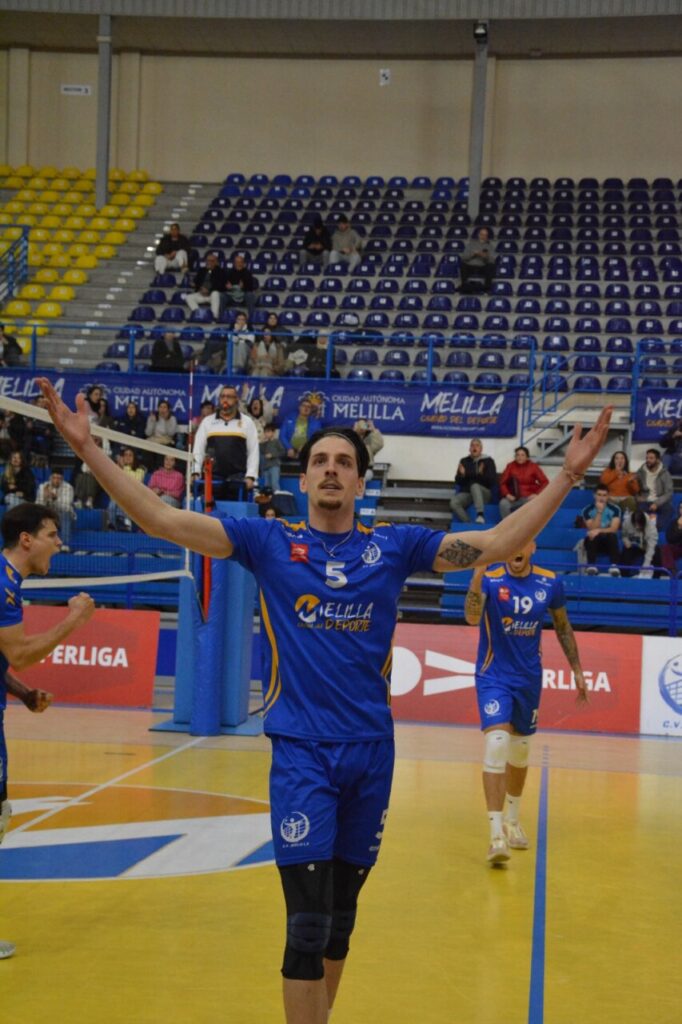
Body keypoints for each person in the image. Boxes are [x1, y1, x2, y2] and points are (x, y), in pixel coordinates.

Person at [37, 374, 611, 1024]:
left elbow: (498, 543)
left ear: (362, 483)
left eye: (344, 463)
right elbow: (161, 517)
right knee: (306, 928)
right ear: (302, 480)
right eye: (320, 462)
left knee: (340, 922)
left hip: (372, 755)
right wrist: (88, 451)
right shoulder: (269, 542)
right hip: (303, 755)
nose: (331, 470)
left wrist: (564, 477)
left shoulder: (394, 546)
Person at [0, 502, 95, 959]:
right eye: (52, 535)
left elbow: (6, 664)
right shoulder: (3, 585)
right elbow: (20, 653)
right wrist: (74, 620)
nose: (59, 544)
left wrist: (20, 693)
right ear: (26, 540)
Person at [465, 541, 587, 865]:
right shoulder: (491, 579)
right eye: (511, 544)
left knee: (519, 752)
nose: (515, 551)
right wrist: (476, 578)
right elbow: (470, 616)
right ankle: (495, 836)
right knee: (496, 743)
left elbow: (562, 626)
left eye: (522, 544)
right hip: (493, 676)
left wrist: (577, 670)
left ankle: (513, 820)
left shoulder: (550, 582)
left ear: (531, 547)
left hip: (529, 679)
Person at [192, 384, 259, 501]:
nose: (225, 400)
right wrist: (195, 471)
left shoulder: (247, 422)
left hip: (238, 478)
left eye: (229, 397)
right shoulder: (207, 422)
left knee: (237, 516)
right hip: (212, 477)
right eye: (222, 396)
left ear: (236, 399)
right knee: (210, 516)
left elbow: (253, 451)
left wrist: (251, 476)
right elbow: (198, 449)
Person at [450, 438, 497, 524]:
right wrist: (464, 475)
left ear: (481, 449)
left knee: (474, 486)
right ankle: (468, 523)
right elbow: (458, 481)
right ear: (469, 449)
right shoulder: (464, 461)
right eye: (472, 445)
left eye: (477, 445)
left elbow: (492, 480)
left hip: (484, 494)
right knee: (454, 502)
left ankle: (480, 515)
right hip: (468, 493)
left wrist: (468, 474)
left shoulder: (488, 461)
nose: (474, 447)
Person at [580, 484, 622, 576]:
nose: (601, 498)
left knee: (612, 536)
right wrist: (599, 512)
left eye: (604, 495)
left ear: (608, 496)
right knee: (592, 535)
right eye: (599, 495)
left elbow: (614, 529)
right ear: (594, 495)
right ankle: (591, 565)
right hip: (594, 542)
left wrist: (599, 530)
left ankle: (614, 566)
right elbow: (592, 529)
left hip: (608, 542)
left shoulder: (615, 509)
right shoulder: (587, 510)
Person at [498, 446, 548, 519]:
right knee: (503, 503)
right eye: (517, 455)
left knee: (530, 507)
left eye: (522, 455)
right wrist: (507, 494)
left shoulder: (533, 466)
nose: (519, 457)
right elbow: (502, 483)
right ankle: (508, 525)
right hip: (514, 496)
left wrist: (536, 494)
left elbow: (545, 482)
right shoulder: (510, 466)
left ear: (527, 457)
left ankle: (525, 528)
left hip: (528, 497)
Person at [635, 448, 674, 529]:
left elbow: (669, 492)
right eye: (647, 458)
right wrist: (637, 497)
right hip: (646, 500)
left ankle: (656, 528)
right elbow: (635, 488)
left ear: (658, 460)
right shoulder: (641, 472)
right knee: (639, 511)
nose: (648, 460)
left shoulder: (664, 473)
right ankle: (644, 529)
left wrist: (657, 503)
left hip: (660, 501)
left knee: (668, 509)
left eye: (651, 458)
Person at [107, 448, 146, 530]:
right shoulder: (116, 468)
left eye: (130, 455)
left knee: (123, 501)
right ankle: (114, 525)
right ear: (122, 457)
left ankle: (125, 523)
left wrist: (124, 467)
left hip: (133, 498)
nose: (128, 457)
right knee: (112, 505)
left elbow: (134, 481)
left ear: (134, 457)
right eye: (126, 455)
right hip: (117, 497)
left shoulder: (140, 470)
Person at [37, 469, 75, 551]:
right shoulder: (43, 487)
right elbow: (38, 506)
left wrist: (55, 499)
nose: (56, 480)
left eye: (59, 478)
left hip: (61, 516)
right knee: (38, 516)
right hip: (47, 515)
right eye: (54, 478)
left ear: (62, 479)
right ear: (50, 478)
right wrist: (45, 498)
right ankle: (40, 544)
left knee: (66, 514)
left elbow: (66, 506)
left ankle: (65, 545)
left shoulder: (68, 488)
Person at [184, 251, 227, 321]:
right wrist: (200, 288)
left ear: (216, 262)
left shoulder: (220, 271)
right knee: (188, 297)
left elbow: (221, 285)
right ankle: (199, 313)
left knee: (215, 294)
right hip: (201, 293)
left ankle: (214, 316)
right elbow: (196, 282)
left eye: (212, 261)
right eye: (208, 261)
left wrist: (209, 290)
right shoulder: (202, 270)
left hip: (212, 295)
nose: (209, 262)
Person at [619, 508, 663, 578]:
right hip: (634, 545)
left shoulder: (651, 527)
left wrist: (646, 565)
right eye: (635, 524)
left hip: (647, 545)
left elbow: (651, 547)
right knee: (625, 552)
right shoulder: (627, 522)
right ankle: (624, 577)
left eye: (639, 525)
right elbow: (624, 535)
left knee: (657, 551)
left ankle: (656, 578)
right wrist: (626, 541)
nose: (637, 526)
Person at [599, 450, 639, 515]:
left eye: (622, 458)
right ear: (613, 461)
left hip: (625, 499)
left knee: (631, 501)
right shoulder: (607, 471)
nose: (619, 460)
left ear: (625, 461)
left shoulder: (630, 474)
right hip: (611, 498)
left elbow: (635, 491)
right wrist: (616, 472)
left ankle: (627, 521)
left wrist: (631, 482)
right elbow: (603, 483)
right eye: (617, 458)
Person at [460, 227, 497, 292]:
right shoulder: (471, 245)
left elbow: (492, 260)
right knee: (463, 265)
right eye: (482, 234)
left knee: (491, 266)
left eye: (485, 235)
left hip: (483, 266)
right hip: (470, 265)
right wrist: (473, 254)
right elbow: (463, 257)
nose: (483, 236)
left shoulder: (490, 247)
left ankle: (487, 287)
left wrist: (485, 257)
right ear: (479, 235)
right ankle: (464, 285)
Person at [222, 252, 258, 318]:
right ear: (234, 263)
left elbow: (251, 288)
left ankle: (252, 317)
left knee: (250, 295)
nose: (238, 264)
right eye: (236, 262)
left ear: (243, 263)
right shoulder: (228, 272)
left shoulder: (247, 273)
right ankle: (221, 316)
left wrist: (244, 286)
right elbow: (223, 285)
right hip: (232, 295)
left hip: (244, 296)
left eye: (240, 262)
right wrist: (227, 287)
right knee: (222, 296)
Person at [259, 423, 286, 493]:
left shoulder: (277, 442)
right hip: (266, 467)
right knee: (267, 485)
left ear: (273, 432)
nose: (266, 434)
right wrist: (261, 442)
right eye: (265, 432)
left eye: (268, 431)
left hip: (274, 466)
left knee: (274, 484)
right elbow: (261, 451)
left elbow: (283, 452)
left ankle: (277, 499)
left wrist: (272, 455)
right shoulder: (265, 443)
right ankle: (268, 501)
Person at [661, 500, 682, 577]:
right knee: (665, 548)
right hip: (677, 548)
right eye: (680, 508)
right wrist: (679, 528)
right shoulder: (674, 522)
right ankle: (671, 571)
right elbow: (669, 538)